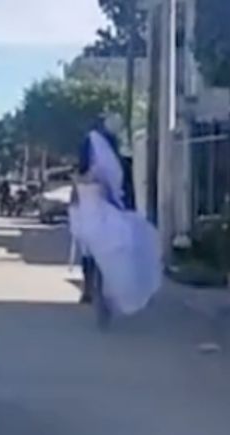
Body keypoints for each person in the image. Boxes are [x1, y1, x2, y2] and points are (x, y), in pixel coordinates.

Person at [69, 112, 161, 317]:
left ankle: (91, 288)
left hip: (95, 210)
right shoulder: (115, 159)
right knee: (109, 244)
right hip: (100, 209)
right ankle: (95, 288)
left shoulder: (101, 159)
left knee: (92, 247)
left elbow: (81, 187)